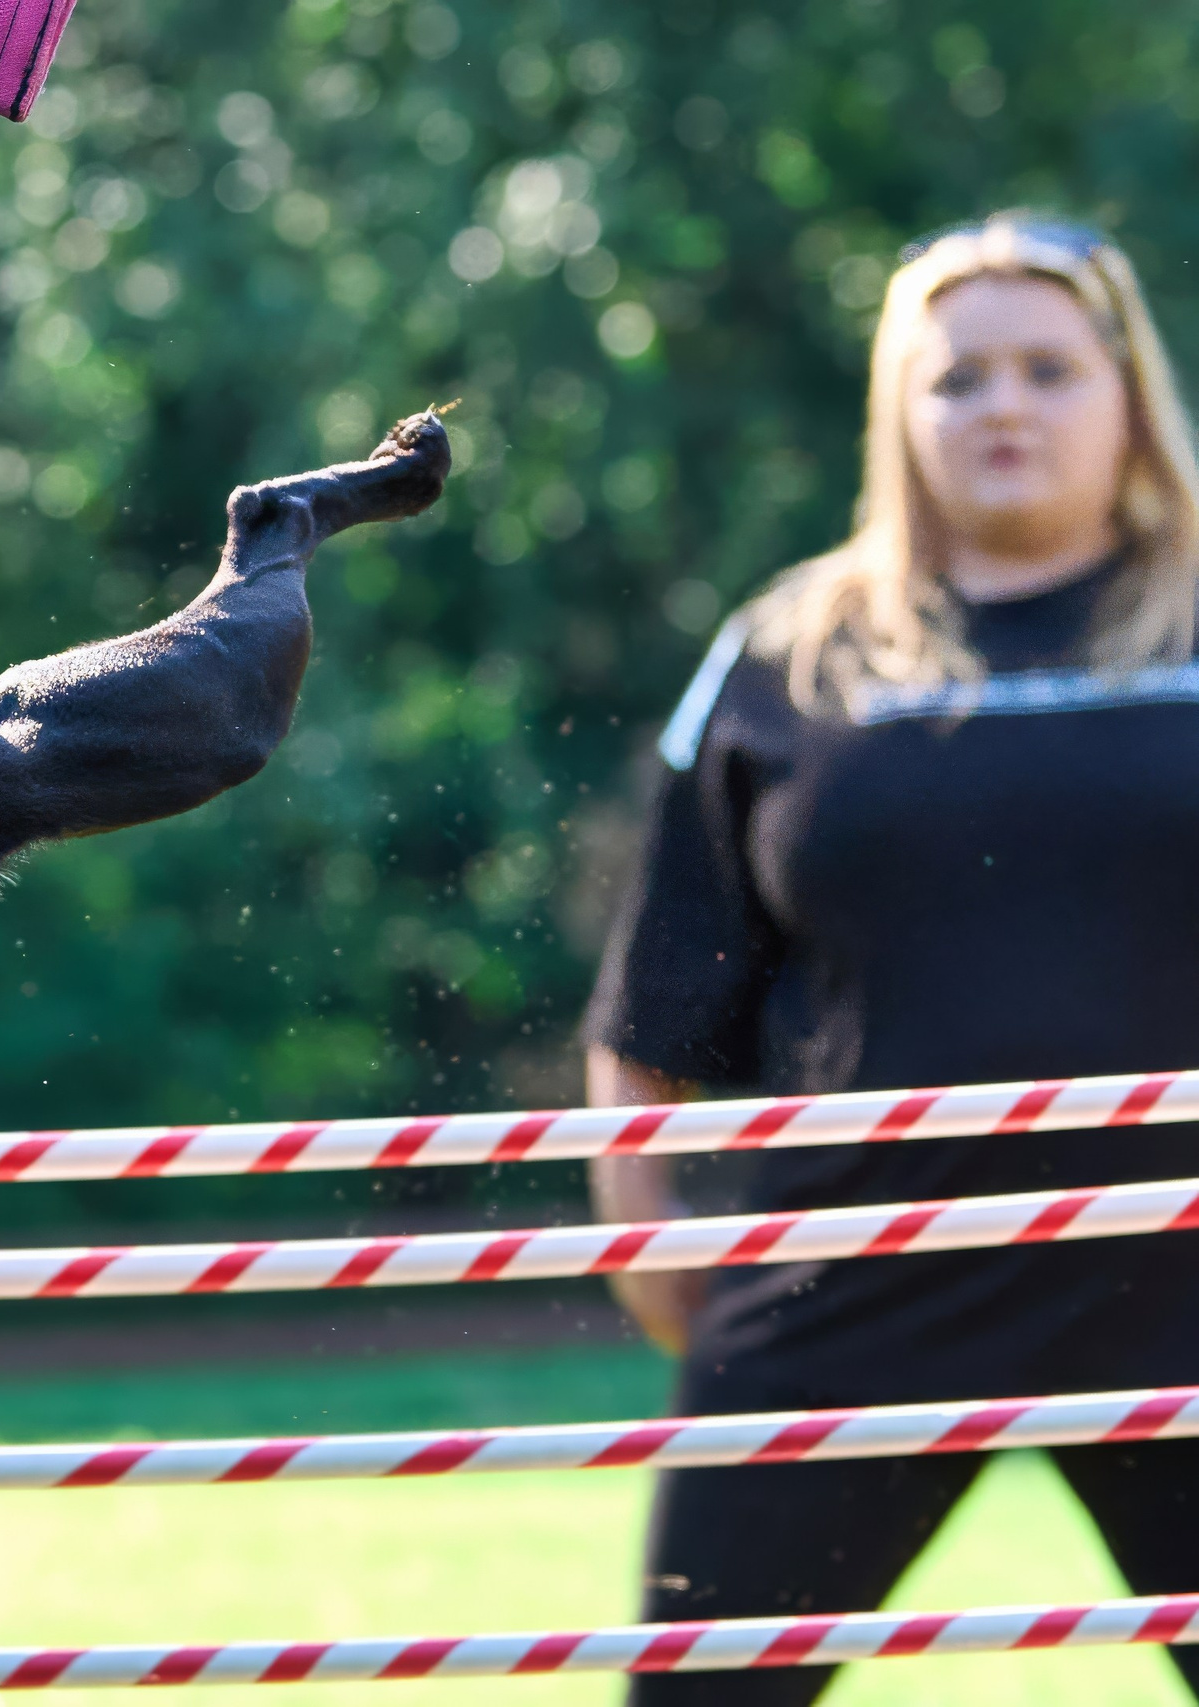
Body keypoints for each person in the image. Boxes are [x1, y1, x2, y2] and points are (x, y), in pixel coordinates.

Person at [584, 212, 1199, 1705]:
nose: (1003, 406)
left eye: (1049, 369)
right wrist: (656, 1245)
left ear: (1127, 394)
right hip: (857, 1281)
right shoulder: (791, 651)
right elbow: (659, 1002)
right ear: (898, 412)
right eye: (959, 377)